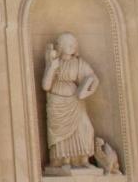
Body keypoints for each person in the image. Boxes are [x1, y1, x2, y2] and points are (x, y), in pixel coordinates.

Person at [42, 32, 99, 170]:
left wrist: (90, 89)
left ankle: (84, 160)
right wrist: (51, 68)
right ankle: (63, 161)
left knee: (85, 128)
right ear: (60, 46)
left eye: (74, 44)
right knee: (62, 134)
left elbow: (93, 78)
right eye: (68, 44)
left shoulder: (79, 63)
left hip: (75, 101)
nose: (72, 46)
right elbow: (45, 86)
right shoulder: (54, 63)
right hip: (57, 102)